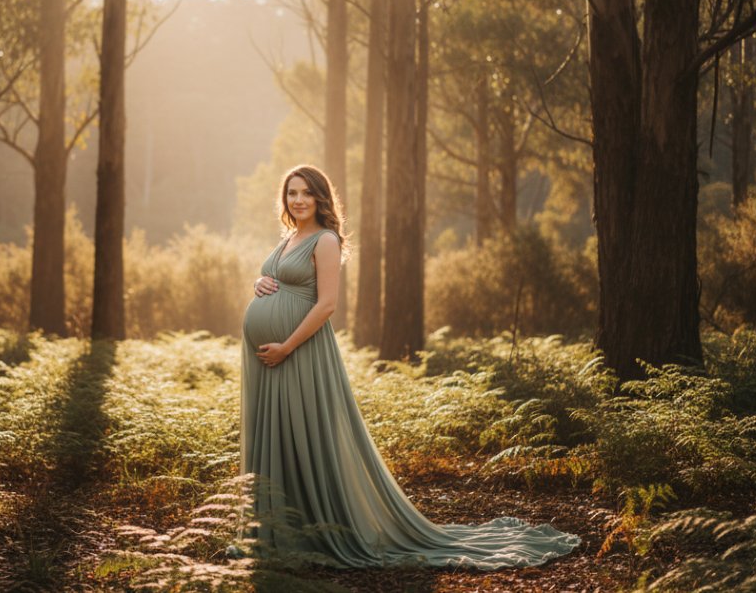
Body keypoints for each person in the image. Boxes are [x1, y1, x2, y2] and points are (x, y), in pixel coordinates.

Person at [236, 163, 581, 569]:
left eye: (306, 192)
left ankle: (317, 530)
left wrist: (287, 347)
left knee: (305, 435)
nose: (298, 200)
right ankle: (278, 530)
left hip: (299, 354)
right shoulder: (289, 237)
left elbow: (327, 304)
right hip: (272, 359)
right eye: (292, 192)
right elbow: (278, 282)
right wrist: (259, 283)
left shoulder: (325, 240)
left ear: (320, 197)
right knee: (279, 434)